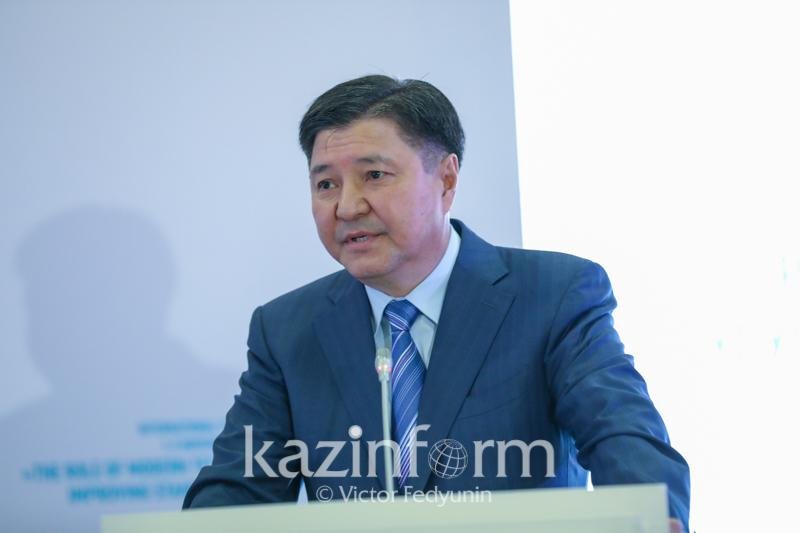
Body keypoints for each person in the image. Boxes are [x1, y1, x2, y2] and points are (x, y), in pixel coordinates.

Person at [183, 75, 690, 531]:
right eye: (326, 184)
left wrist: (651, 517)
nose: (347, 206)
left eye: (374, 176)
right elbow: (239, 488)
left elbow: (624, 439)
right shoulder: (287, 330)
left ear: (446, 179)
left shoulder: (553, 295)